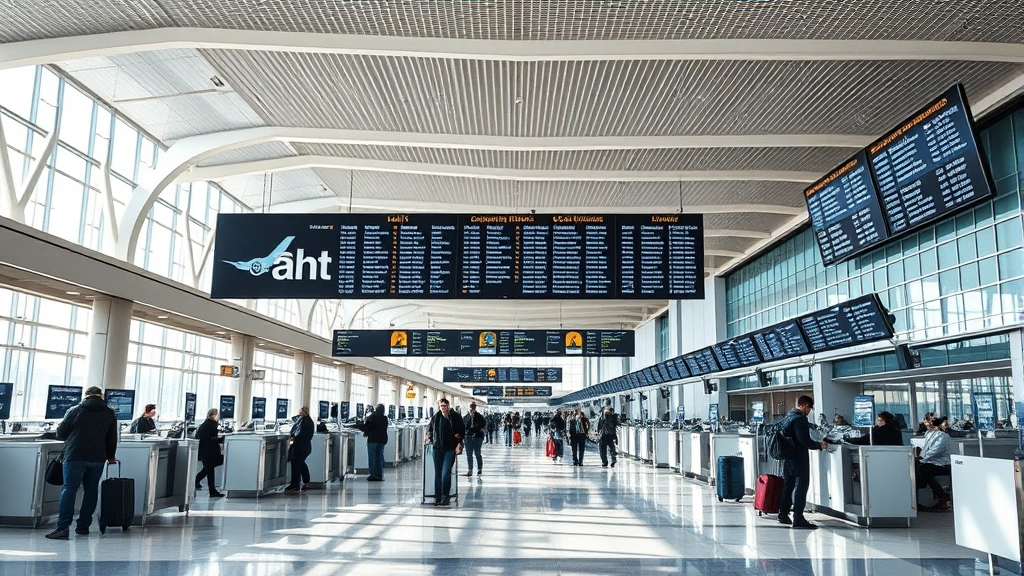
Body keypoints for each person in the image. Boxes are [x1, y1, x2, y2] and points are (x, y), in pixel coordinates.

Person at [46, 386, 118, 540]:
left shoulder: (74, 410)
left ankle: (63, 527)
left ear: (85, 396)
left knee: (69, 489)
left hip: (75, 455)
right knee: (91, 490)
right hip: (98, 457)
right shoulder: (110, 412)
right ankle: (83, 526)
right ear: (101, 396)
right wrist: (111, 456)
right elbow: (112, 438)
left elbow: (61, 433)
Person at [777, 395, 828, 530]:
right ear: (805, 406)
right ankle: (798, 518)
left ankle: (783, 514)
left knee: (788, 485)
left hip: (787, 458)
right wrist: (819, 445)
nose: (810, 411)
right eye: (810, 408)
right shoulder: (800, 420)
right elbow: (804, 440)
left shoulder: (788, 417)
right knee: (801, 486)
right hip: (799, 457)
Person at [425, 398, 465, 506]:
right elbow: (429, 429)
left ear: (448, 406)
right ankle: (437, 497)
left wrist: (459, 439)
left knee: (445, 473)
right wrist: (430, 439)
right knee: (438, 474)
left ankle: (445, 496)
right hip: (437, 449)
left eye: (445, 406)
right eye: (441, 406)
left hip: (450, 449)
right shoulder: (436, 417)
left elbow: (462, 430)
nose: (443, 408)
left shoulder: (455, 417)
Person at [916, 415, 952, 510]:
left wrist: (923, 459)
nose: (925, 423)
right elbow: (926, 449)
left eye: (927, 421)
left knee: (923, 469)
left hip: (942, 464)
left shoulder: (943, 436)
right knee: (920, 468)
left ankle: (941, 495)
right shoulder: (929, 433)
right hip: (931, 461)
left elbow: (936, 450)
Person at [194, 408, 225, 498]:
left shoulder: (206, 424)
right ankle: (210, 489)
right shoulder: (211, 425)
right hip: (209, 451)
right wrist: (221, 440)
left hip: (205, 451)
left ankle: (210, 489)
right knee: (209, 469)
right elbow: (211, 438)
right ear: (214, 415)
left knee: (208, 469)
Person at [354, 404, 388, 481]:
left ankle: (373, 474)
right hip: (381, 440)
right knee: (379, 458)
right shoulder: (385, 418)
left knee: (372, 458)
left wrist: (356, 426)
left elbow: (367, 427)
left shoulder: (372, 417)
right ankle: (380, 475)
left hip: (373, 440)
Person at [285, 406, 315, 493]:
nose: (300, 414)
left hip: (300, 446)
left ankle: (295, 485)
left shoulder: (305, 422)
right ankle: (305, 481)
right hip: (304, 446)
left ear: (306, 413)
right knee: (300, 463)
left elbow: (300, 434)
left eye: (301, 412)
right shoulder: (304, 421)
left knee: (296, 464)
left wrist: (293, 437)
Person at [462, 402, 486, 477]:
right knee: (469, 454)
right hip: (468, 437)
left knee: (477, 453)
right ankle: (470, 469)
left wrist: (475, 417)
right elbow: (464, 426)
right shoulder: (466, 417)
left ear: (475, 408)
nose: (472, 409)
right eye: (471, 408)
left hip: (477, 436)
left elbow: (483, 424)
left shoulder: (479, 417)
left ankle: (479, 468)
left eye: (473, 408)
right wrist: (470, 417)